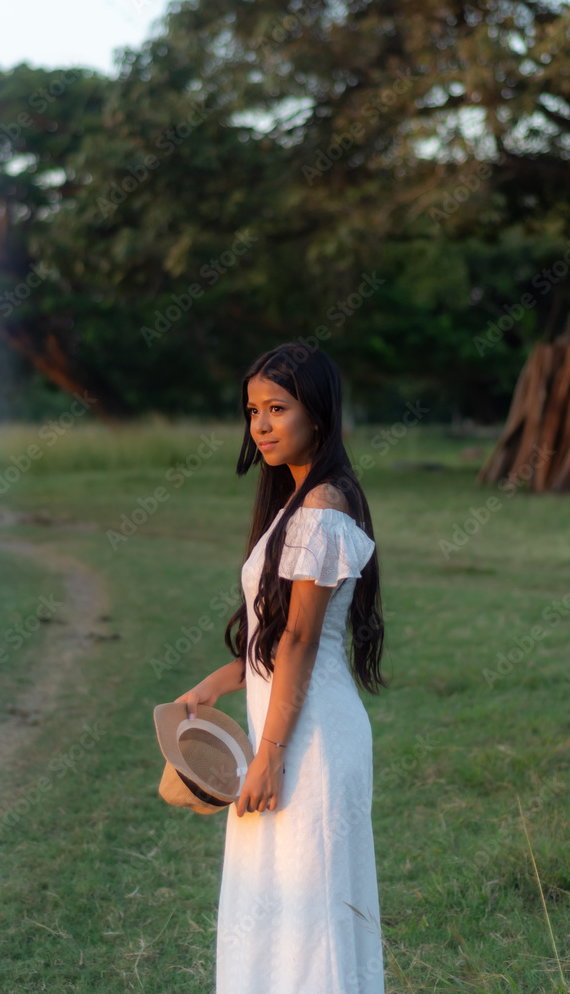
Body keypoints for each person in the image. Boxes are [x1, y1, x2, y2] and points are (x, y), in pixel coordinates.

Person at [174, 341, 387, 993]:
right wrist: (220, 679)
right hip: (288, 732)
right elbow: (275, 632)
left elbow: (299, 640)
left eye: (277, 408)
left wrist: (268, 754)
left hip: (309, 743)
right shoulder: (298, 503)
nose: (260, 425)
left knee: (311, 911)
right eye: (251, 411)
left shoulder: (322, 508)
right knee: (271, 906)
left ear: (316, 415)